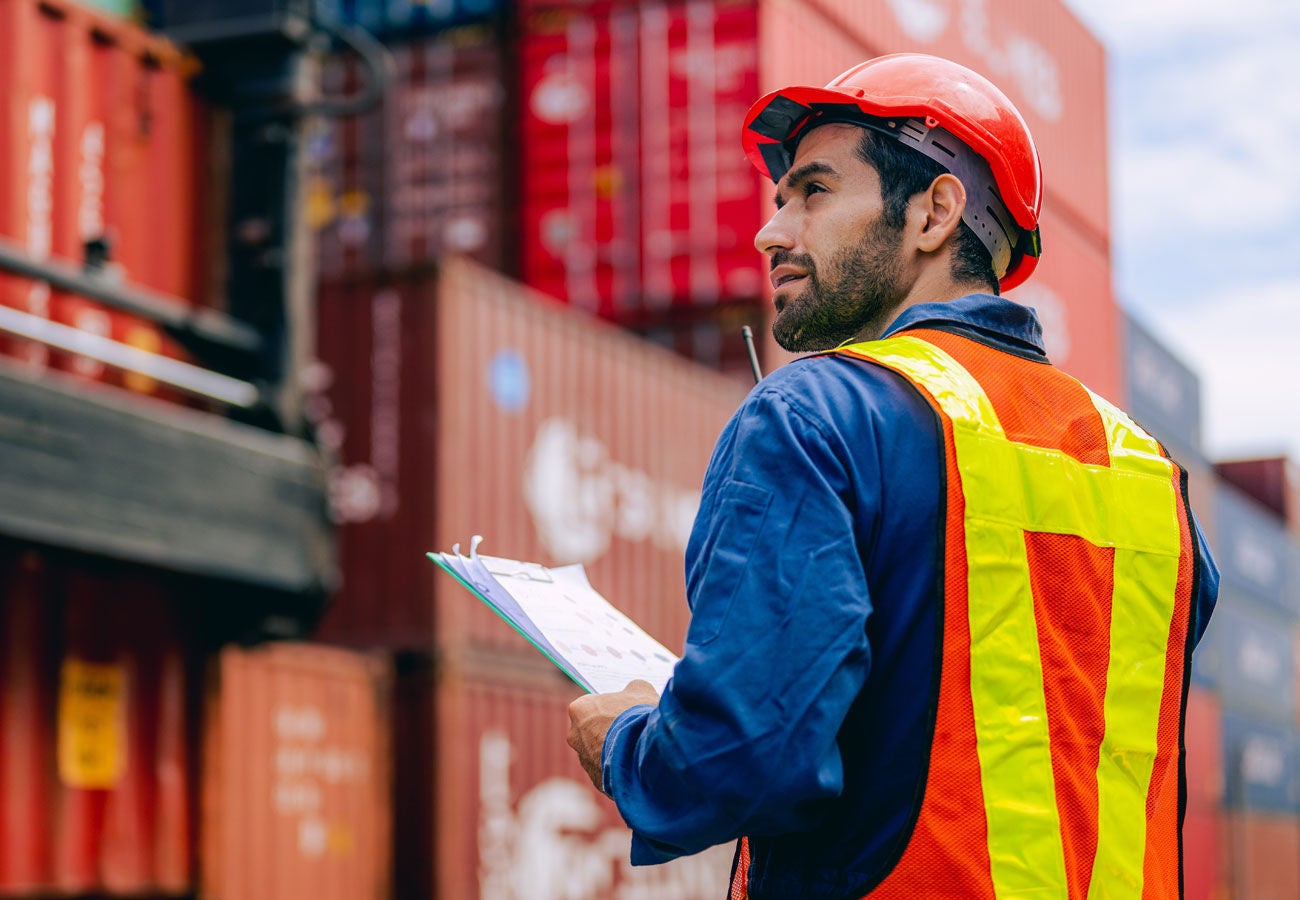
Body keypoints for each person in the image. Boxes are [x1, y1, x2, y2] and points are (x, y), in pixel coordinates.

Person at [566, 53, 1218, 899]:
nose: (772, 233)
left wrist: (626, 740)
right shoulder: (1147, 471)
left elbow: (736, 760)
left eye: (814, 192)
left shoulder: (817, 415)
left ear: (934, 213)